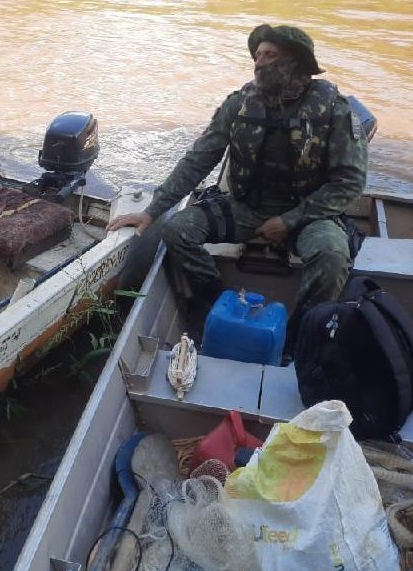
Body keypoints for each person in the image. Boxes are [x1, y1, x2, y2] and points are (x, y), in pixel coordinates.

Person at [109, 24, 369, 339]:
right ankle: (216, 304)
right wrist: (152, 210)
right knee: (176, 230)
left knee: (332, 257)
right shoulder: (240, 103)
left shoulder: (334, 108)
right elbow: (198, 159)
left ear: (295, 61)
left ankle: (301, 336)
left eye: (269, 55)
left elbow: (350, 182)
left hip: (310, 215)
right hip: (245, 207)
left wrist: (289, 220)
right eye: (257, 55)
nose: (258, 63)